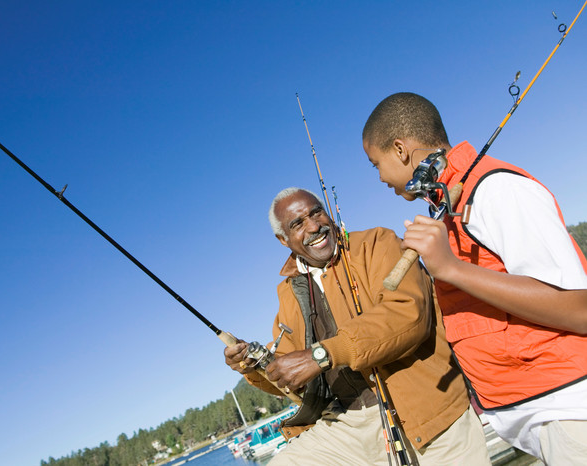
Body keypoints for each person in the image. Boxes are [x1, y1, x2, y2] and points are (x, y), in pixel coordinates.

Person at [362, 91, 587, 463]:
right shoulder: (448, 206)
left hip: (567, 410)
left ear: (400, 149)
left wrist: (450, 268)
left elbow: (578, 307)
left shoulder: (496, 188)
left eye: (376, 164)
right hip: (536, 418)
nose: (381, 177)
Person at [224, 187, 490, 465]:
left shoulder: (378, 243)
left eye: (316, 212)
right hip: (347, 426)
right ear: (283, 239)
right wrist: (252, 367)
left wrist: (322, 354)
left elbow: (408, 314)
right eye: (298, 224)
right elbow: (292, 377)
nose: (314, 226)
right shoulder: (288, 293)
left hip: (429, 413)